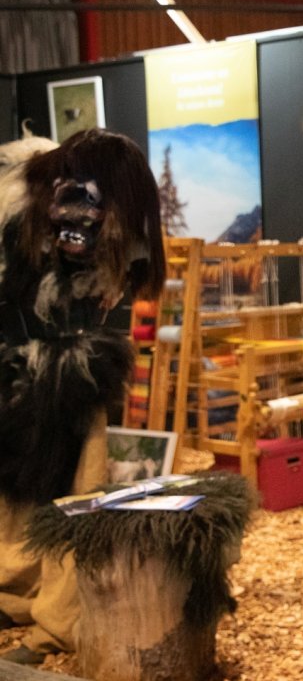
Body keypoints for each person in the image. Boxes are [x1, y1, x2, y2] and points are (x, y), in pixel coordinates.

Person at [0, 129, 165, 665]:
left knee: (75, 492)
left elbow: (114, 260)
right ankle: (19, 595)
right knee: (22, 484)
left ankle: (56, 622)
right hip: (25, 357)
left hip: (69, 365)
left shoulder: (84, 190)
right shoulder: (28, 196)